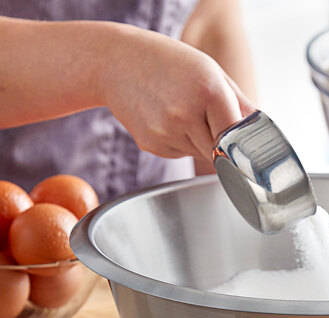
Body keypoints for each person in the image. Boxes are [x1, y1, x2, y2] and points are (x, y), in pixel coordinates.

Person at [0, 0, 257, 202]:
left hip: (163, 208)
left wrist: (237, 193)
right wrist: (107, 64)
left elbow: (210, 22)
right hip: (21, 220)